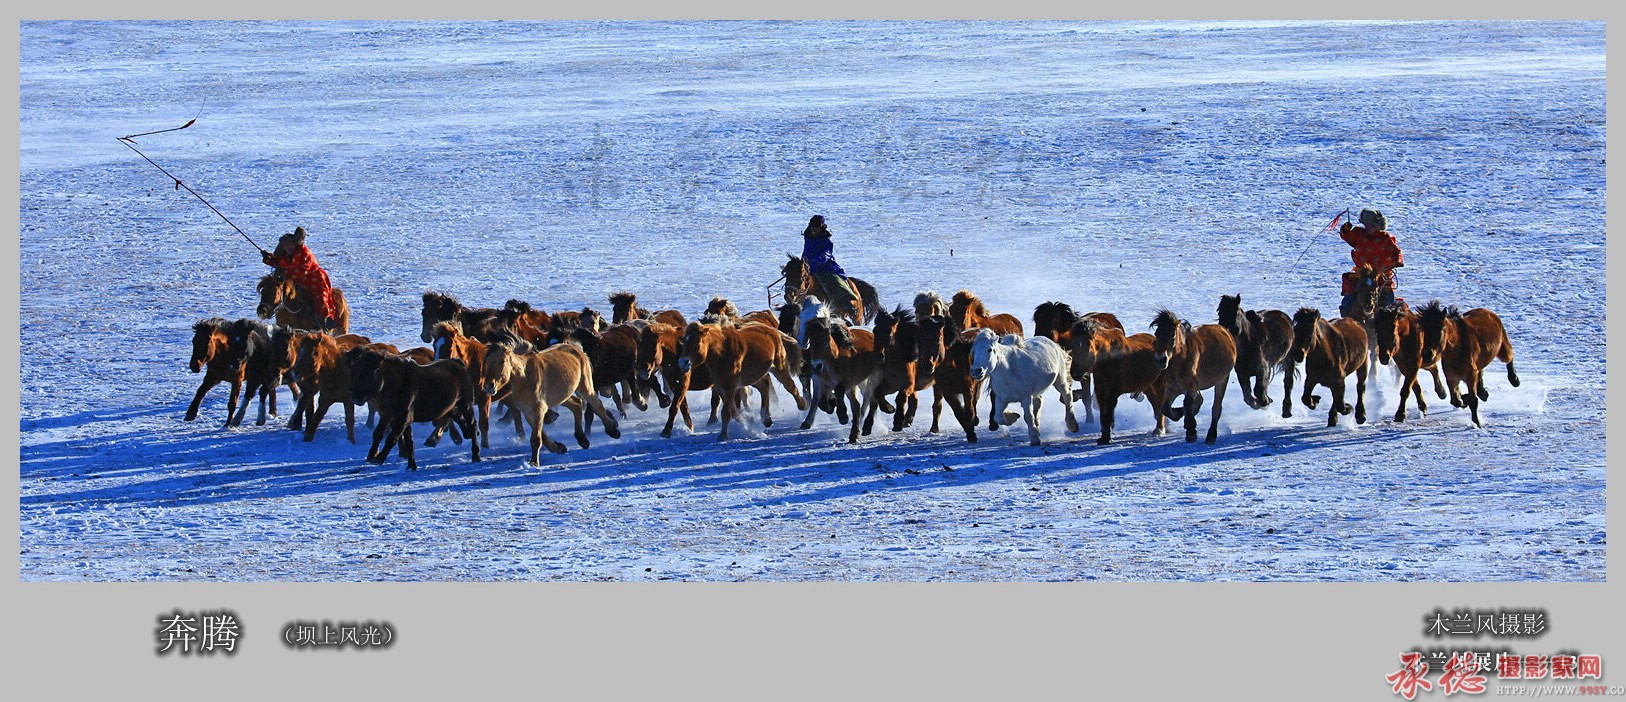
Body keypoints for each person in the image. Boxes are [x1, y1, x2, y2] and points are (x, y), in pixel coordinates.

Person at [262, 226, 339, 331]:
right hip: (297, 282)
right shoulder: (284, 256)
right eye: (285, 246)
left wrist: (285, 273)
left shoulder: (305, 254)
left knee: (320, 299)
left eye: (290, 245)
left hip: (315, 280)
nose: (288, 248)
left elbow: (302, 271)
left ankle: (324, 322)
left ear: (295, 245)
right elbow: (278, 263)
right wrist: (267, 258)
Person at [1339, 208, 1404, 317]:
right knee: (1346, 303)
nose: (1368, 228)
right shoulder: (1358, 234)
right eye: (1366, 225)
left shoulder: (1385, 238)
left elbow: (1396, 252)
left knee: (1389, 305)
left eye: (1372, 225)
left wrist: (1398, 261)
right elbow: (1346, 236)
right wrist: (1345, 229)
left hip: (1381, 278)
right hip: (1362, 276)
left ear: (1378, 225)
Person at [800, 214, 862, 319]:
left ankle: (848, 304)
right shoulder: (808, 238)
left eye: (817, 227)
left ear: (821, 228)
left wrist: (813, 262)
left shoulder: (825, 240)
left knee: (833, 280)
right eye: (812, 226)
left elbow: (826, 255)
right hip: (809, 268)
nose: (814, 229)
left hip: (826, 268)